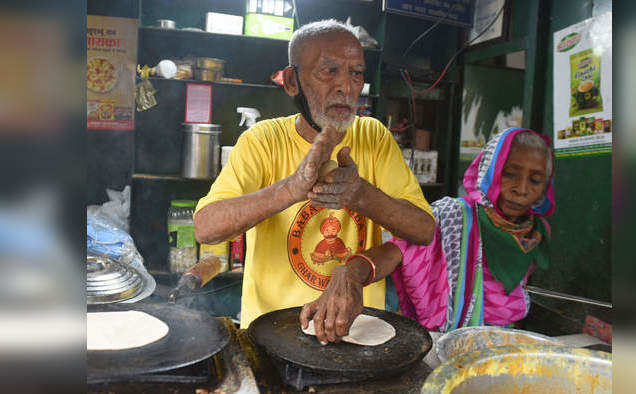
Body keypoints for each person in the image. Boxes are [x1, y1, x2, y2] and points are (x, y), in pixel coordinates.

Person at [193, 19, 435, 329]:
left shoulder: (374, 137)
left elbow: (424, 230)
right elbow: (206, 228)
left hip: (355, 332)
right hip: (272, 333)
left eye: (356, 73)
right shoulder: (262, 141)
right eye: (329, 71)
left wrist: (360, 194)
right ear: (292, 81)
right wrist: (291, 189)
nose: (345, 87)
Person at [301, 128, 555, 342]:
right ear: (489, 170)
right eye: (510, 174)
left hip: (507, 342)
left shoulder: (536, 232)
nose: (521, 189)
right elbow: (395, 252)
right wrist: (351, 273)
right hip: (452, 342)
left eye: (535, 180)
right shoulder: (453, 216)